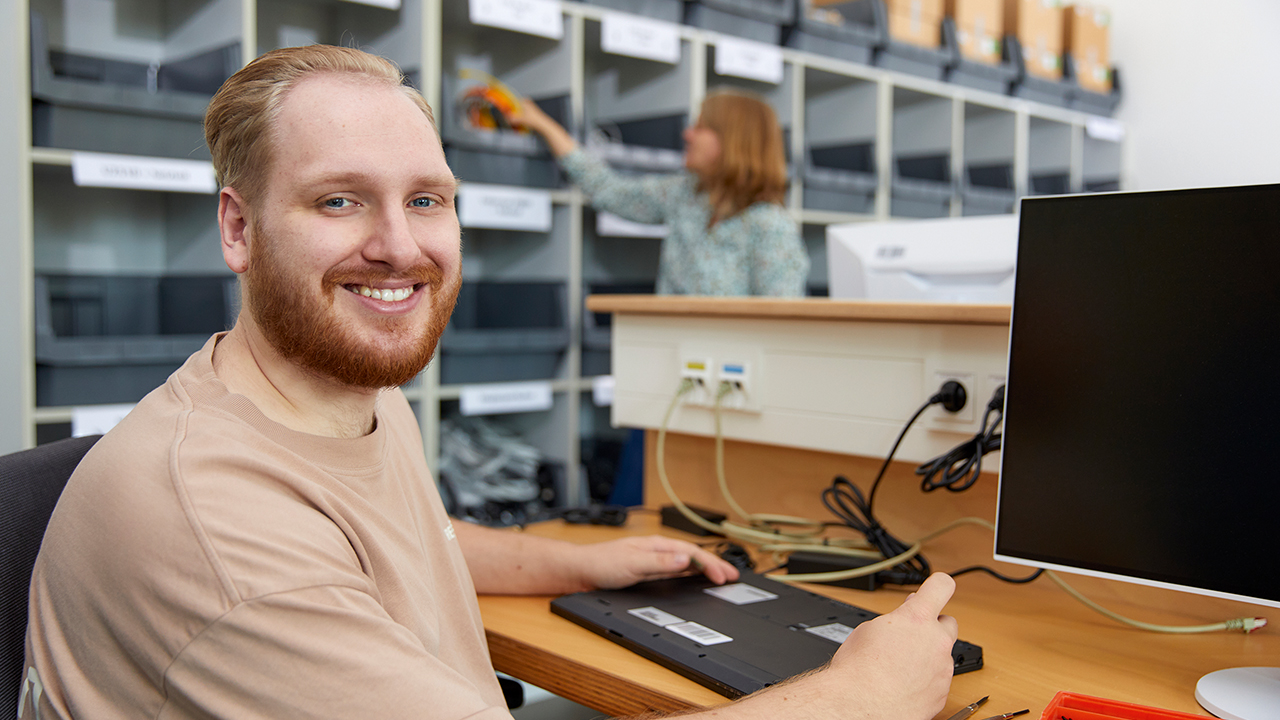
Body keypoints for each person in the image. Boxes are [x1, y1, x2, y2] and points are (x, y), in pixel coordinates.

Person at [20, 45, 958, 720]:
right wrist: (862, 695)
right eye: (339, 199)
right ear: (238, 229)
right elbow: (283, 558)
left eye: (426, 199)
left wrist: (575, 563)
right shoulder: (212, 521)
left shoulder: (351, 396)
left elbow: (403, 539)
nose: (399, 246)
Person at [507, 88, 809, 297]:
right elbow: (608, 189)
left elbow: (782, 324)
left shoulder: (770, 226)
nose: (687, 134)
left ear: (734, 142)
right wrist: (543, 125)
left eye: (701, 127)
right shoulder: (684, 195)